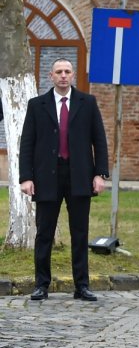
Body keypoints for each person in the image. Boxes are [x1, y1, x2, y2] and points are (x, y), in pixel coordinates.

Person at [18, 58, 109, 301]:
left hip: (79, 175)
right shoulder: (37, 105)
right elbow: (27, 143)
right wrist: (26, 178)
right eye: (59, 72)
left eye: (67, 71)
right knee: (44, 233)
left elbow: (99, 140)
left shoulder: (87, 102)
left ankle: (82, 286)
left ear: (73, 75)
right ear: (51, 76)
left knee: (80, 232)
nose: (63, 76)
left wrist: (100, 174)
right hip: (47, 176)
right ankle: (41, 285)